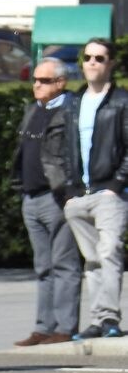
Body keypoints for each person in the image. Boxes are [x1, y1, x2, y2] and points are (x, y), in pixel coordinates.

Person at [10, 57, 80, 346]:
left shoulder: (70, 111)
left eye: (44, 80)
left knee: (64, 264)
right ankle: (43, 326)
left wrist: (67, 191)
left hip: (56, 196)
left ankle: (65, 327)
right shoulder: (33, 110)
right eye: (35, 80)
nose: (37, 85)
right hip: (31, 196)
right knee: (43, 266)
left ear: (61, 83)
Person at [62, 38, 128, 340]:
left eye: (99, 58)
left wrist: (117, 184)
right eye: (87, 57)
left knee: (110, 251)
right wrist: (68, 192)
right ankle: (98, 319)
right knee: (92, 260)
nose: (92, 63)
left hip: (109, 194)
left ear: (110, 63)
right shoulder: (74, 102)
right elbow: (65, 148)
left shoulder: (122, 101)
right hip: (79, 195)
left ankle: (109, 318)